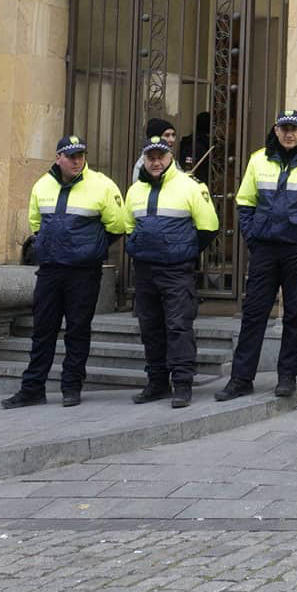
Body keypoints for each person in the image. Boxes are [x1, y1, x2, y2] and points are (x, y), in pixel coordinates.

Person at [220, 109, 297, 401]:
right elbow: (245, 202)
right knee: (253, 315)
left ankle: (287, 377)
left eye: (294, 128)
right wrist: (252, 235)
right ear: (275, 130)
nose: (289, 134)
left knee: (295, 314)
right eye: (284, 128)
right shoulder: (258, 159)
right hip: (265, 249)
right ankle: (240, 379)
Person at [3, 135, 131, 409]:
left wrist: (91, 248)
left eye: (80, 155)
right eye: (71, 156)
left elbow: (118, 226)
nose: (76, 161)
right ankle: (33, 388)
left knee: (77, 330)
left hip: (83, 272)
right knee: (43, 330)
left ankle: (72, 386)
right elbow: (36, 224)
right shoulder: (42, 185)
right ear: (58, 158)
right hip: (50, 269)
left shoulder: (102, 185)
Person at [125, 135, 219, 409]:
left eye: (160, 157)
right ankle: (156, 383)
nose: (155, 162)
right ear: (144, 159)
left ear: (170, 158)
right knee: (150, 328)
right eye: (150, 157)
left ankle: (182, 384)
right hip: (145, 271)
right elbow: (128, 226)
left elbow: (208, 228)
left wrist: (185, 251)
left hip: (176, 271)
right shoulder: (135, 190)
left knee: (178, 327)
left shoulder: (190, 186)